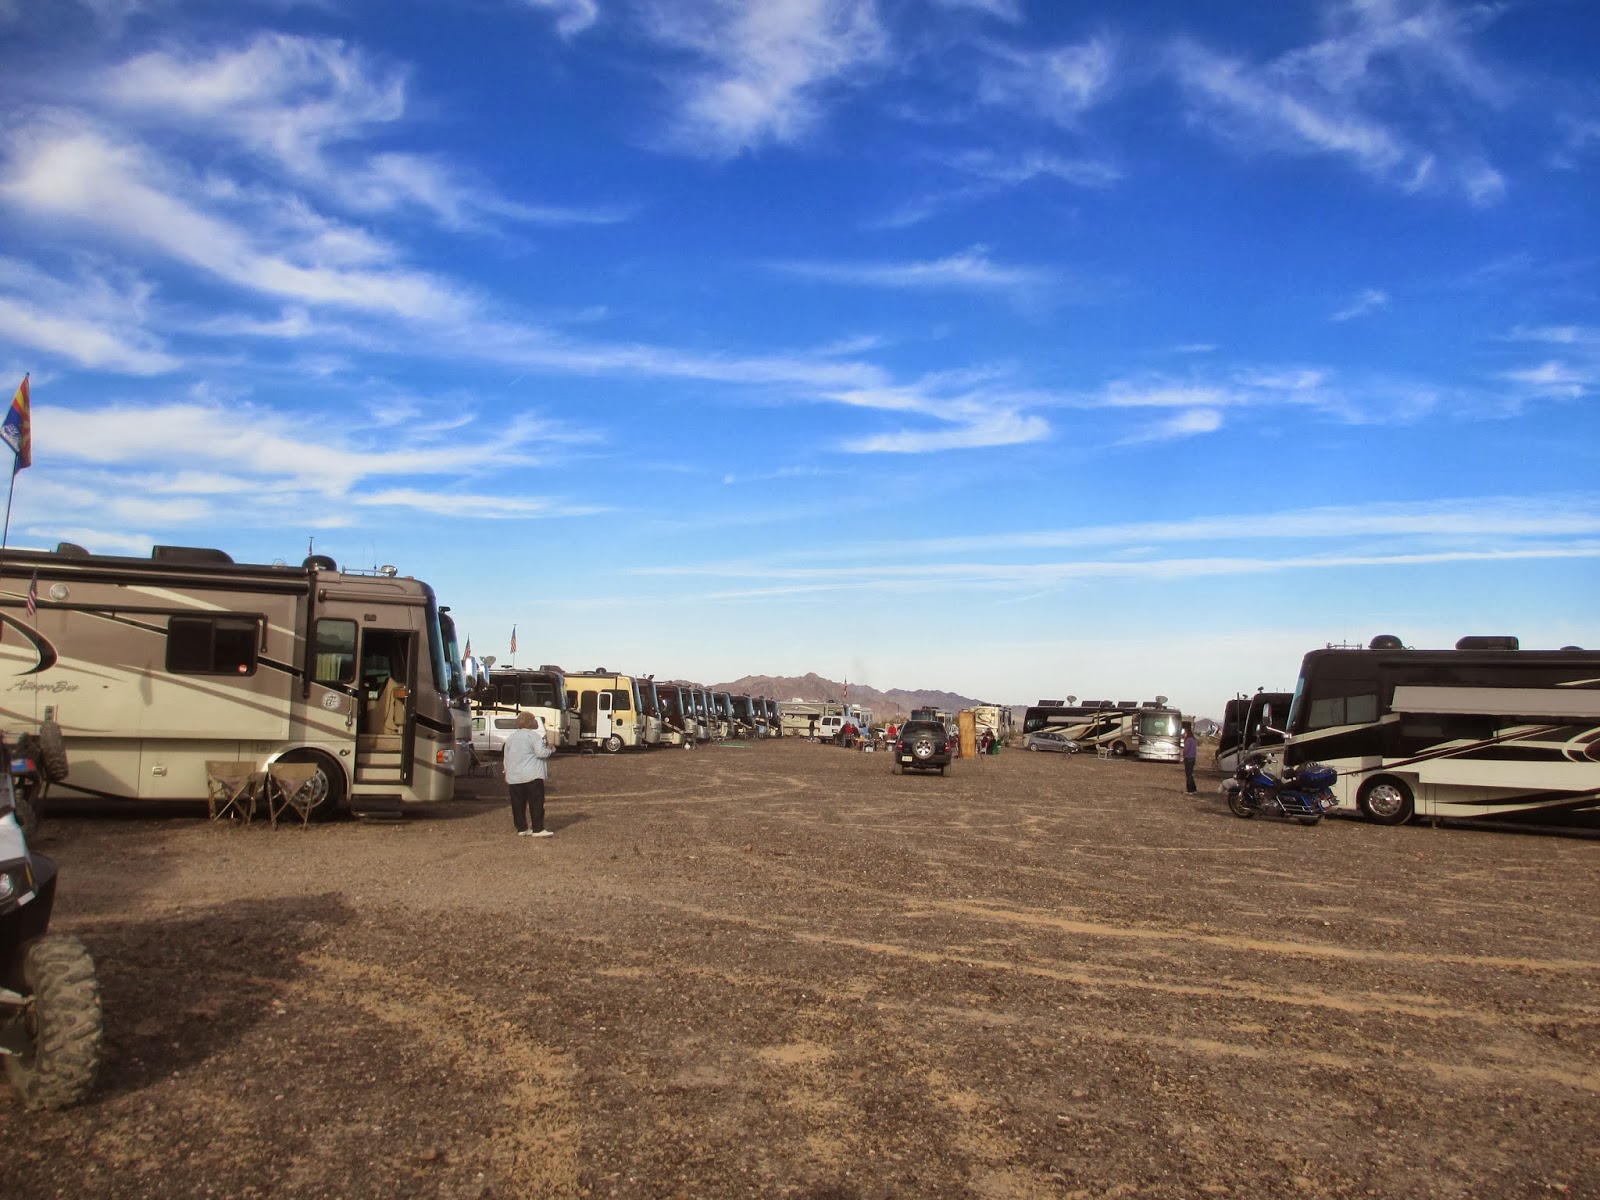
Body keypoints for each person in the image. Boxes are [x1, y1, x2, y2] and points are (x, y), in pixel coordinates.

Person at [503, 711, 556, 837]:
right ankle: (538, 828)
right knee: (536, 802)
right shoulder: (534, 736)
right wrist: (550, 750)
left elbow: (506, 757)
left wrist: (506, 772)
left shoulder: (511, 738)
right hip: (532, 775)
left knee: (517, 803)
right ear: (531, 722)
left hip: (515, 776)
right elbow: (540, 753)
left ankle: (521, 828)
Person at [1182, 722, 1198, 794]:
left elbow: (1186, 750)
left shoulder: (1188, 739)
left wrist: (1183, 755)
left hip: (1188, 758)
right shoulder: (1193, 739)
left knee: (1188, 775)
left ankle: (1190, 789)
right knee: (1190, 774)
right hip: (1193, 758)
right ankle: (1193, 788)